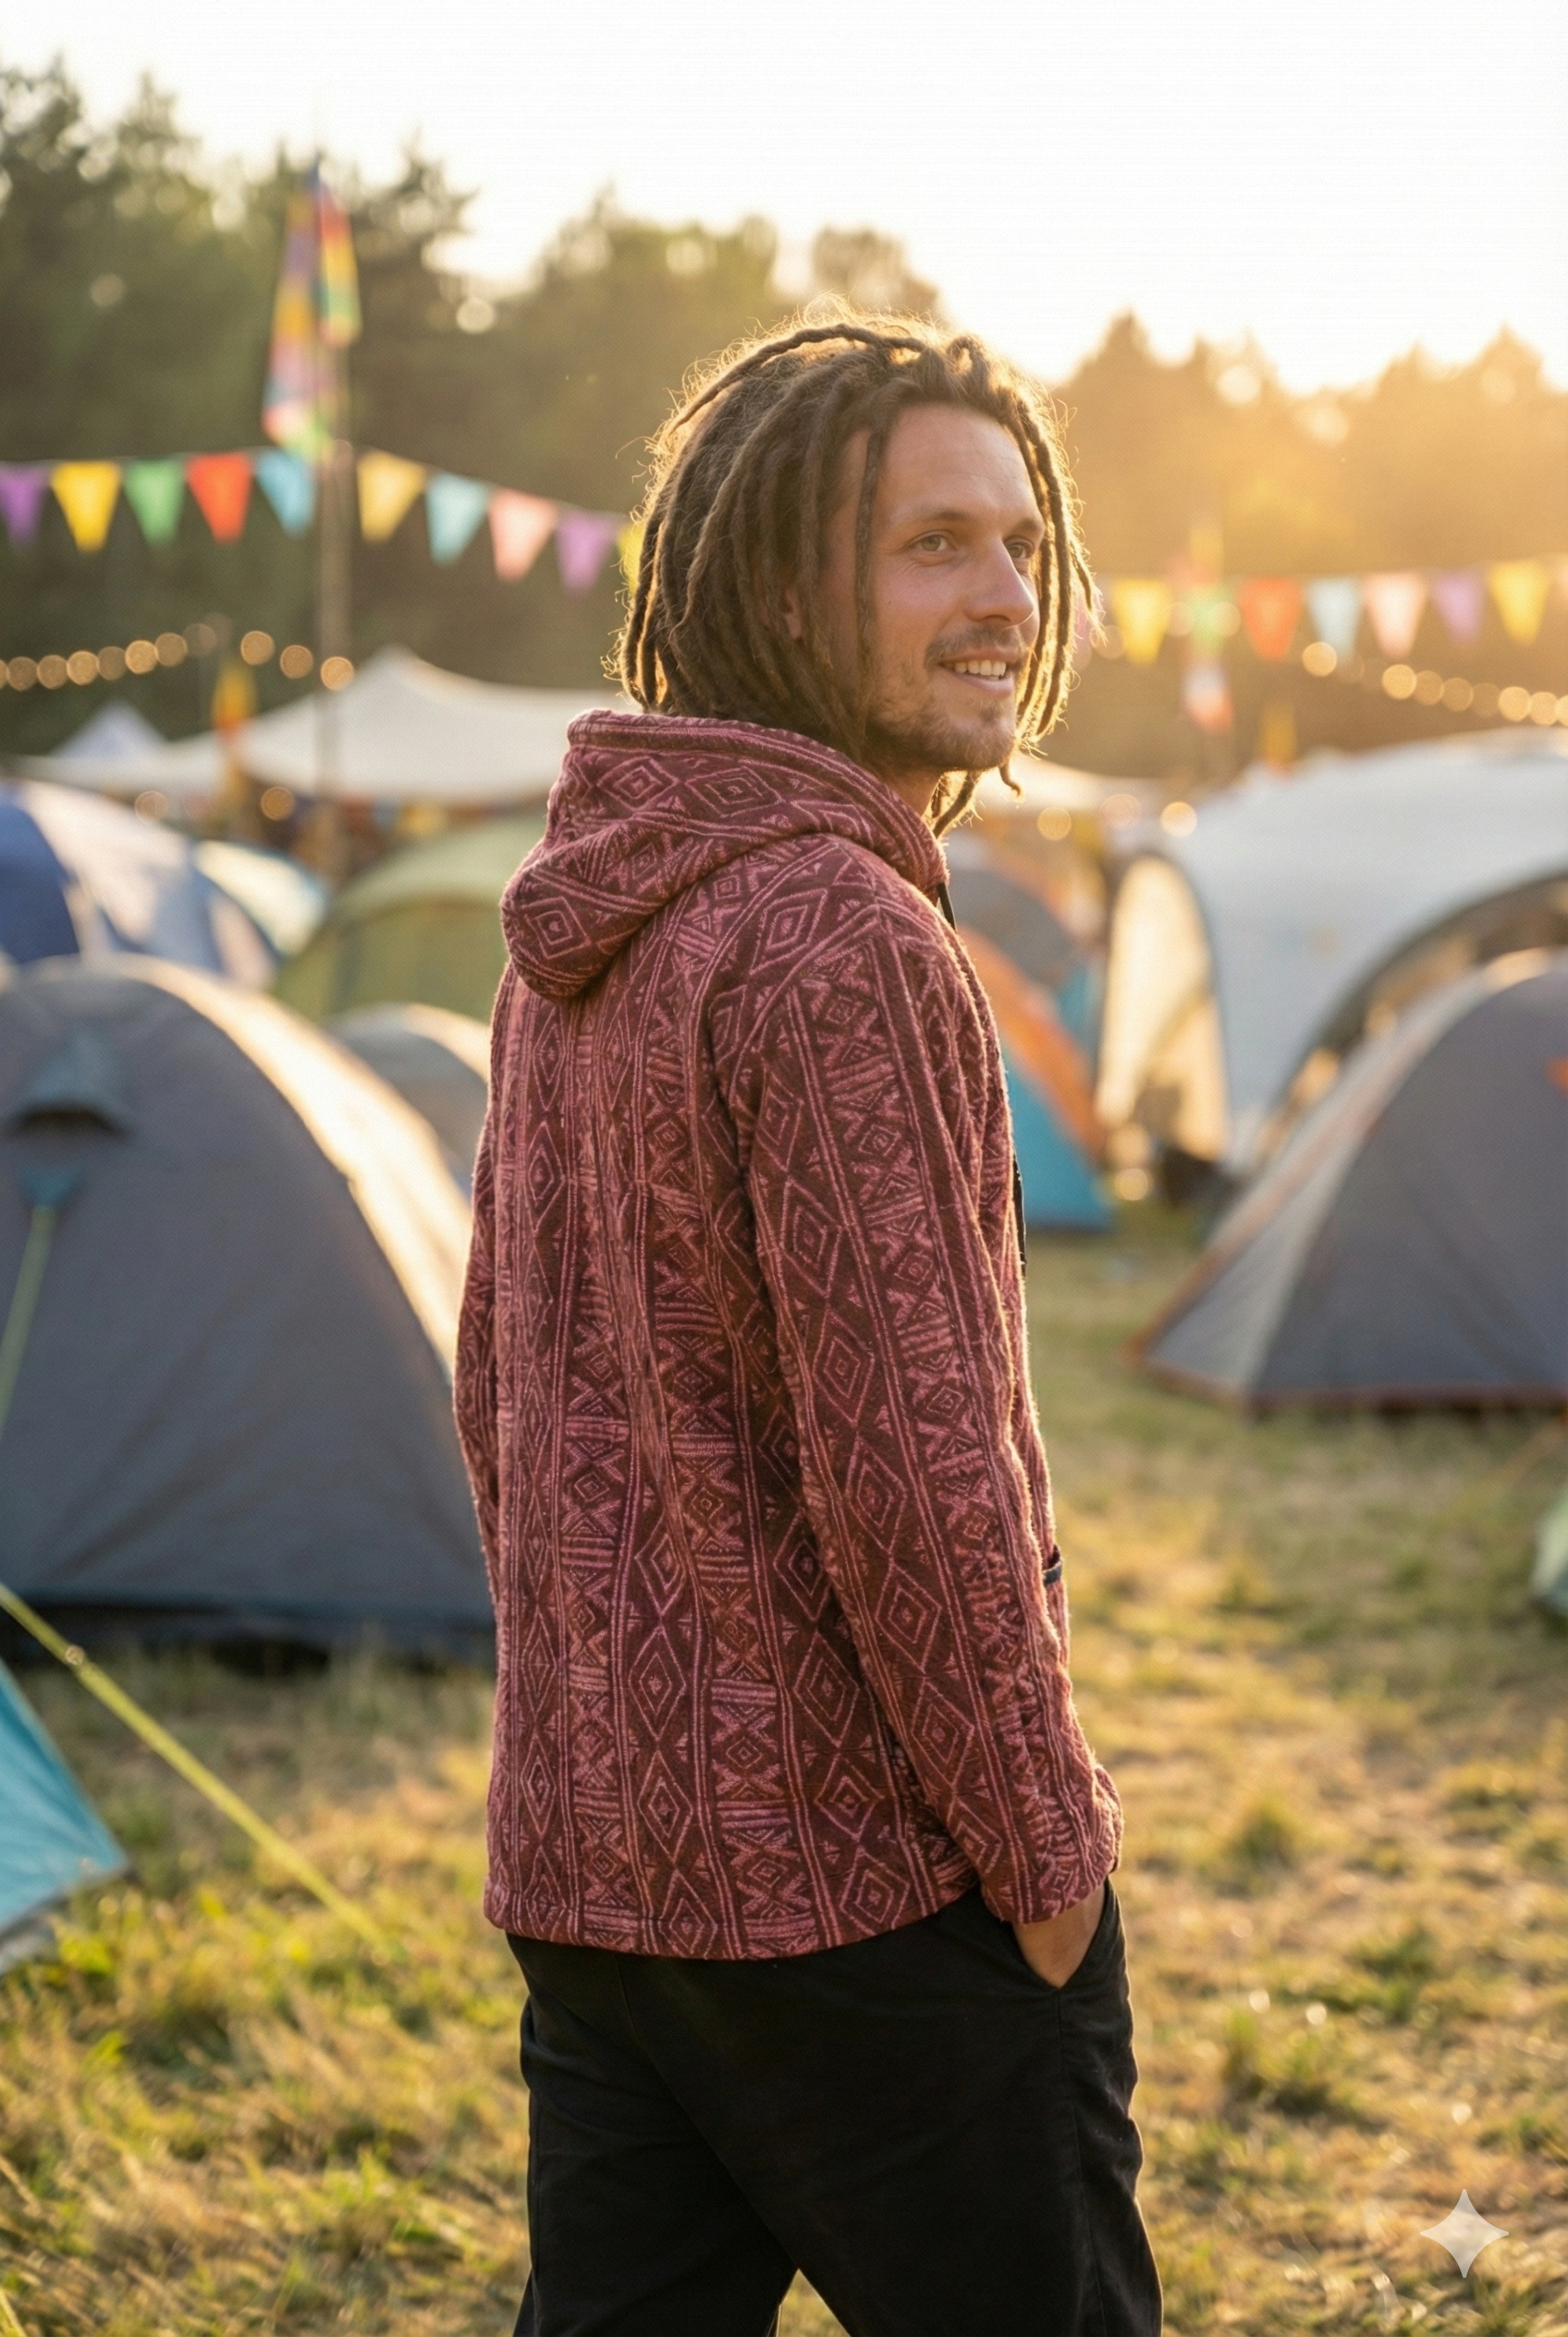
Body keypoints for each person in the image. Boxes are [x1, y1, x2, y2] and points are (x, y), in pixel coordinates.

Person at [456, 314, 1160, 2337]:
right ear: (777, 587)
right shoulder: (841, 936)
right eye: (934, 544)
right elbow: (919, 1473)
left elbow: (497, 1388)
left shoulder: (582, 907)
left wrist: (599, 1753)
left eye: (1020, 542)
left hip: (597, 1872)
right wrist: (1046, 1862)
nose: (1006, 595)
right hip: (861, 1898)